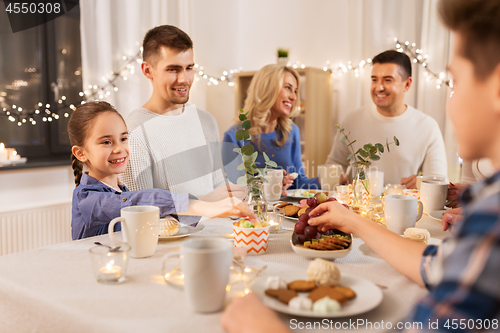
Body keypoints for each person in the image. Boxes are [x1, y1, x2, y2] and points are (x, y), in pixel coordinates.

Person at [222, 0, 500, 331]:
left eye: (454, 83)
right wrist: (352, 217)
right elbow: (436, 264)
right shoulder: (235, 134)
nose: (448, 103)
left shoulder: (488, 218)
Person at [68, 101, 254, 240]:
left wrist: (207, 200)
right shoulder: (87, 199)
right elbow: (134, 202)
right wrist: (202, 206)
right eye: (107, 142)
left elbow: (157, 219)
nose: (119, 148)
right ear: (81, 153)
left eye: (123, 138)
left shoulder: (122, 190)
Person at [120, 25, 246, 201]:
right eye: (173, 69)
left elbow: (219, 189)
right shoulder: (134, 132)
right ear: (148, 70)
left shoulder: (206, 121)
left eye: (189, 68)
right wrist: (206, 202)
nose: (184, 79)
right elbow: (141, 214)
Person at [326, 50, 448, 188]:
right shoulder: (351, 121)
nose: (379, 87)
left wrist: (422, 183)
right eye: (374, 79)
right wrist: (336, 176)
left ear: (407, 84)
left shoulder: (428, 127)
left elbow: (440, 182)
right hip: (358, 208)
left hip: (405, 208)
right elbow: (333, 166)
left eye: (388, 80)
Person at [223, 64, 320, 191]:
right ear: (267, 89)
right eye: (288, 88)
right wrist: (269, 184)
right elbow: (229, 189)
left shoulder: (291, 132)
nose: (294, 97)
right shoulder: (234, 136)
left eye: (295, 91)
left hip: (285, 210)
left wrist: (322, 180)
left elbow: (297, 182)